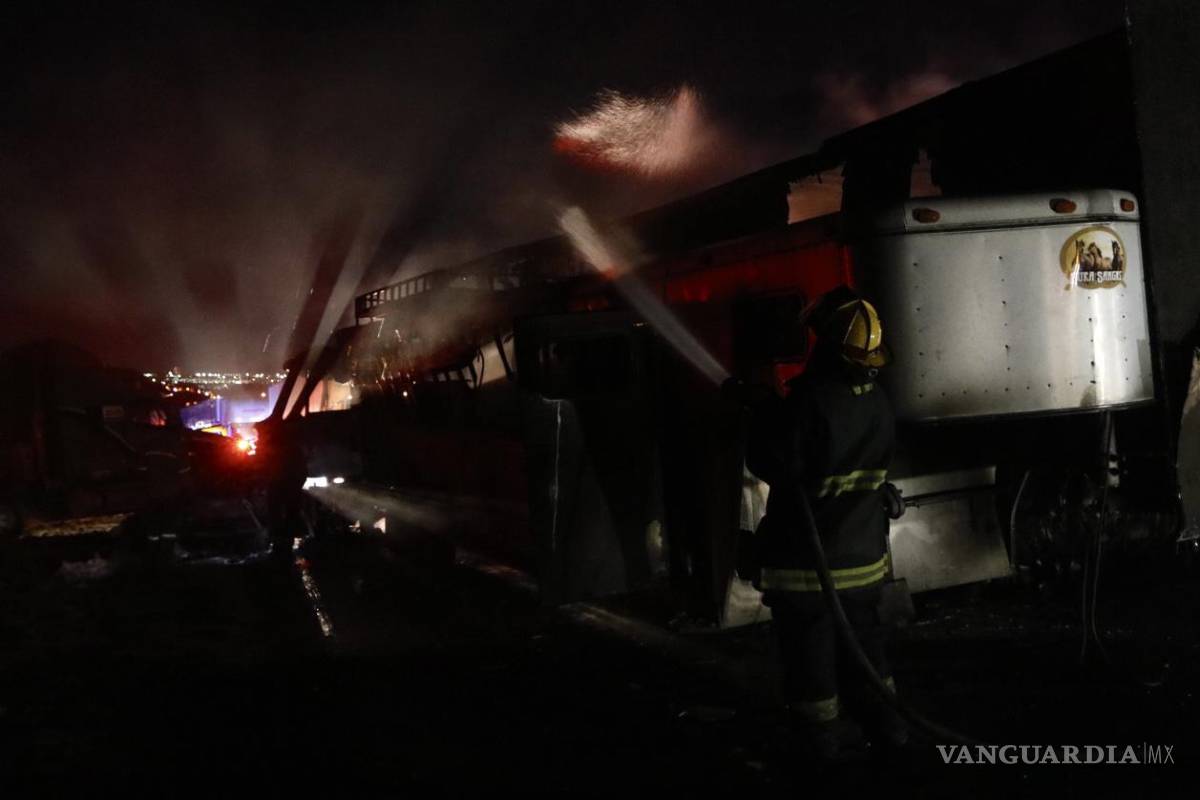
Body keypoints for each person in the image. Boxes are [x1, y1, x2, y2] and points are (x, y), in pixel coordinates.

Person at [726, 285, 905, 760]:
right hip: (863, 563)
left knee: (811, 660)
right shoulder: (878, 403)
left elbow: (776, 463)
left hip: (810, 566)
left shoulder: (812, 401)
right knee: (864, 648)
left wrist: (761, 409)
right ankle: (888, 725)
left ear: (825, 344)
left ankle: (820, 743)